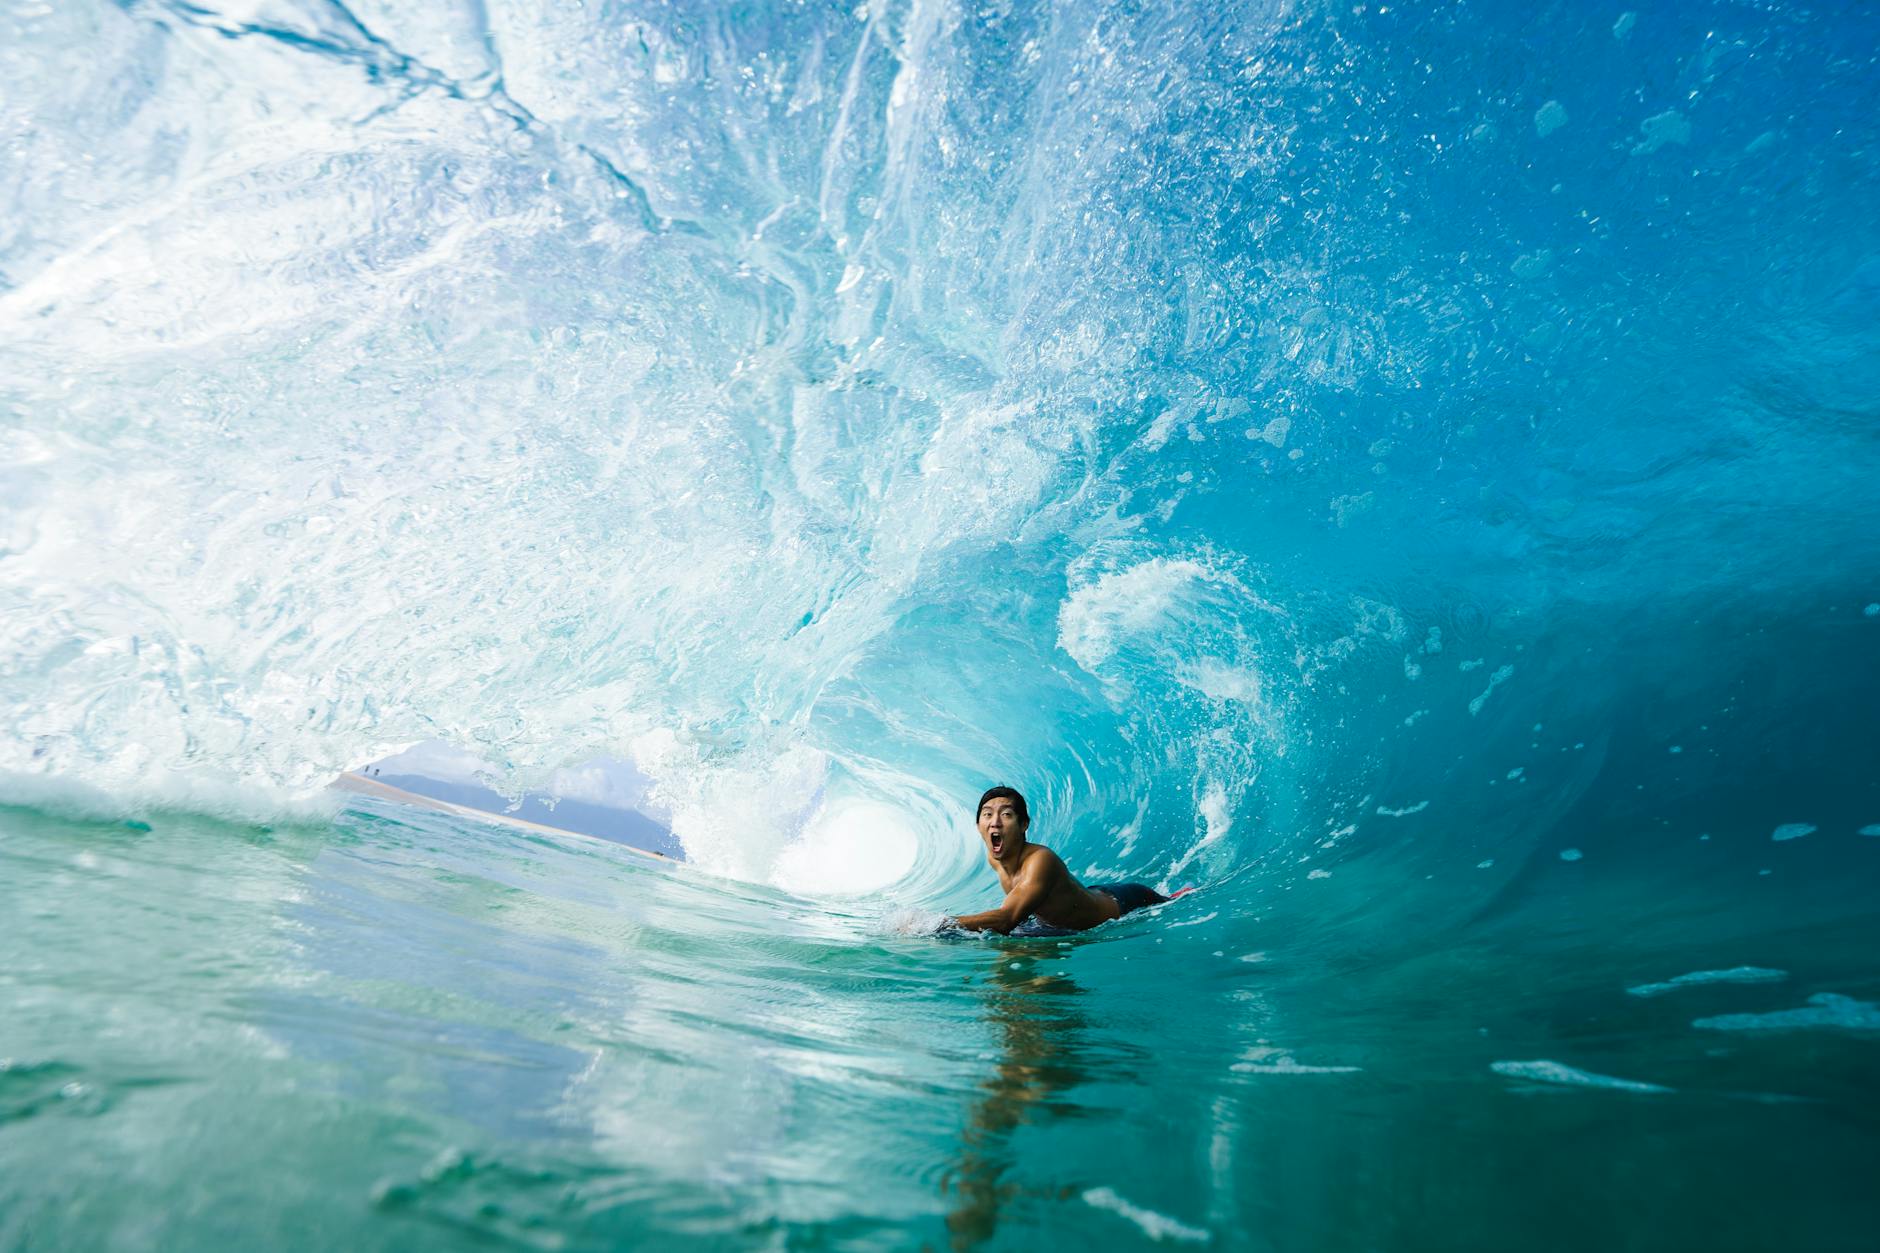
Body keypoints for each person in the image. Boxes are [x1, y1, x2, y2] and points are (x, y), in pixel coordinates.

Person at [948, 785, 1168, 934]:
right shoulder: (995, 857)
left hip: (1123, 904)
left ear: (1024, 824)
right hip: (1078, 904)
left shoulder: (1040, 860)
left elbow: (1007, 919)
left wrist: (942, 923)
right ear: (978, 825)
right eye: (987, 814)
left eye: (1006, 815)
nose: (995, 822)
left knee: (1175, 902)